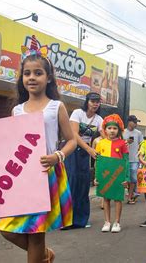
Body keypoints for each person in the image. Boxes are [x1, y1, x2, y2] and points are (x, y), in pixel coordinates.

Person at [0, 41, 77, 262]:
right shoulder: (17, 110)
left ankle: (41, 254)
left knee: (35, 233)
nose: (32, 77)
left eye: (38, 73)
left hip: (45, 174)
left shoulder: (56, 107)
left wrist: (57, 156)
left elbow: (71, 140)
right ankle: (46, 255)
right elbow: (9, 149)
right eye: (27, 73)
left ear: (49, 78)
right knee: (6, 228)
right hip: (19, 176)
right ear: (21, 78)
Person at [65, 92, 103, 229]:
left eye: (97, 101)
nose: (95, 104)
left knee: (83, 185)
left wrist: (119, 143)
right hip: (72, 150)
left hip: (85, 154)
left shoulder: (99, 119)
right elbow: (74, 134)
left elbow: (106, 135)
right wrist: (89, 149)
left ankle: (81, 220)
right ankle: (66, 221)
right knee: (71, 183)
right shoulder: (77, 113)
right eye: (92, 101)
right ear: (87, 101)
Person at [95, 114, 129, 233]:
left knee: (118, 199)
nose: (112, 131)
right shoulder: (100, 143)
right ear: (105, 130)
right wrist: (96, 177)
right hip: (105, 175)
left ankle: (117, 222)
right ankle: (107, 222)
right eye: (109, 128)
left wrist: (127, 178)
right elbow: (97, 162)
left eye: (114, 128)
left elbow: (126, 161)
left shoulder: (123, 143)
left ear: (119, 130)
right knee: (106, 198)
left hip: (118, 174)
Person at [123, 115, 144, 204]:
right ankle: (128, 193)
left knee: (133, 179)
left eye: (136, 122)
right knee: (126, 179)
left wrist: (140, 155)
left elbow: (141, 144)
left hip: (135, 159)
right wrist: (126, 142)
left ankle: (130, 196)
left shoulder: (138, 133)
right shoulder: (122, 132)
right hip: (124, 159)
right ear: (129, 122)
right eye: (134, 122)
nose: (135, 124)